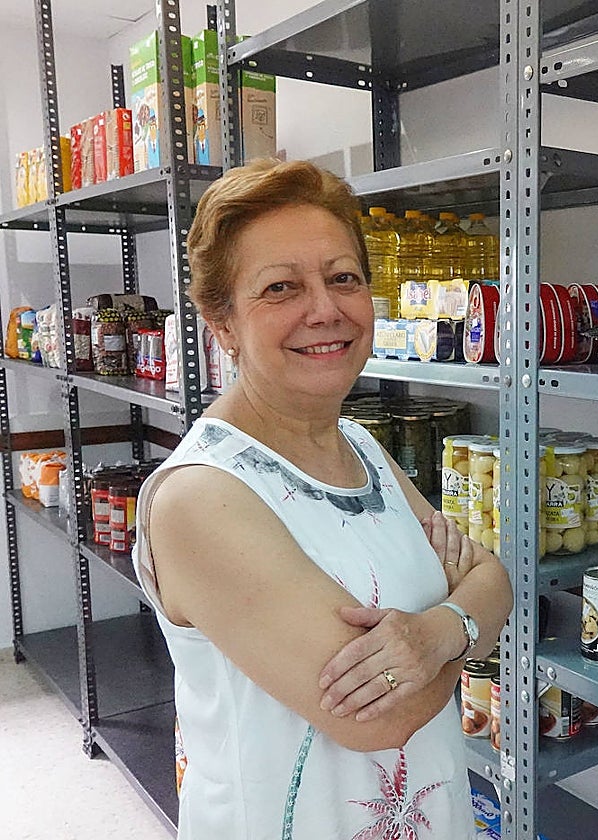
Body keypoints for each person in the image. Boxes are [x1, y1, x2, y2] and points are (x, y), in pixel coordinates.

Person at [133, 158, 512, 839]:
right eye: (281, 287)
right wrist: (469, 614)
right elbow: (379, 716)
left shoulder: (362, 448)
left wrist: (434, 634)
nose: (326, 309)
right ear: (222, 323)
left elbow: (498, 579)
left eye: (345, 278)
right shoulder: (200, 494)